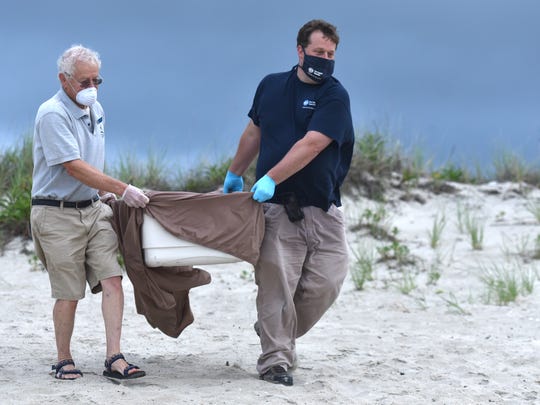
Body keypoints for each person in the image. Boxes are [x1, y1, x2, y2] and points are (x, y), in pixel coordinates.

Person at [223, 19, 354, 386]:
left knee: (329, 281)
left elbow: (313, 143)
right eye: (317, 52)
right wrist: (235, 172)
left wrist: (269, 177)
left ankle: (272, 327)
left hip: (324, 207)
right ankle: (275, 361)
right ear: (300, 51)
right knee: (276, 285)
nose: (324, 60)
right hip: (277, 209)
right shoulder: (271, 86)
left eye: (330, 54)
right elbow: (254, 131)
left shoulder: (334, 95)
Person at [30, 44, 149, 380]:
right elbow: (74, 167)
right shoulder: (52, 113)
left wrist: (106, 195)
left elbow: (94, 160)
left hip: (92, 209)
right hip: (56, 212)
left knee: (112, 278)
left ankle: (115, 357)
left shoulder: (97, 110)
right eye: (84, 82)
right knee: (69, 291)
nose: (91, 88)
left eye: (97, 80)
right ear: (64, 80)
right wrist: (123, 189)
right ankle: (63, 359)